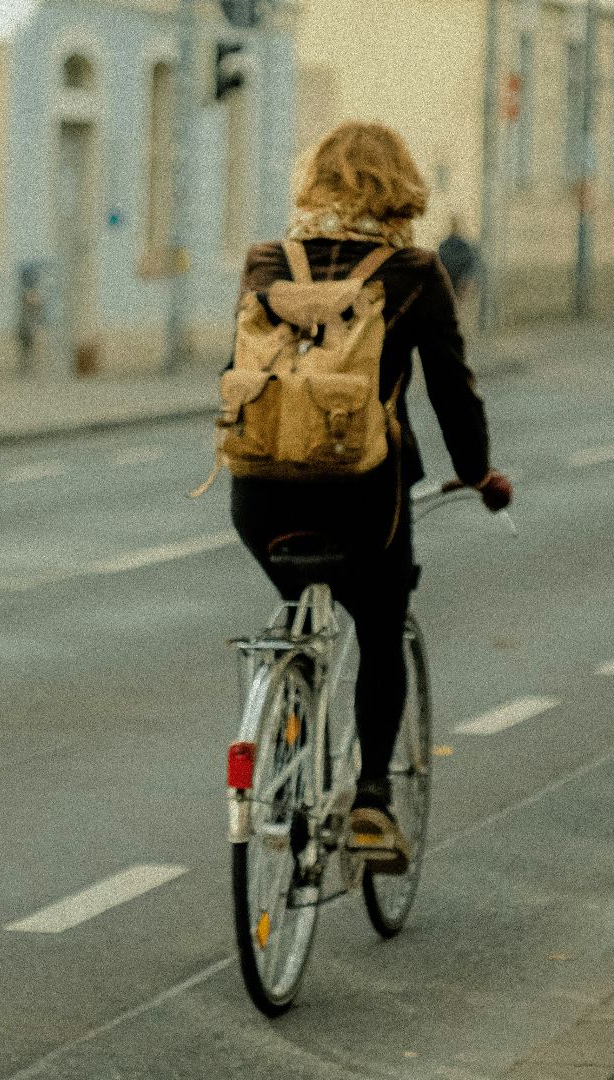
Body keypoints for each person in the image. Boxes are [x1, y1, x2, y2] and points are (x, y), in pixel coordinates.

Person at [229, 121, 512, 871]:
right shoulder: (413, 271)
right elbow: (454, 392)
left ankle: (285, 731)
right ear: (400, 189)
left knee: (296, 605)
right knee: (382, 624)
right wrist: (480, 473)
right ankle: (372, 800)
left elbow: (243, 375)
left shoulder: (266, 262)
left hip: (259, 498)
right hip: (363, 498)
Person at [436, 216, 481, 312]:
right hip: (451, 287)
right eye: (453, 224)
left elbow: (472, 267)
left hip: (460, 287)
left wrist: (467, 282)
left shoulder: (466, 247)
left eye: (456, 224)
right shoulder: (444, 246)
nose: (455, 227)